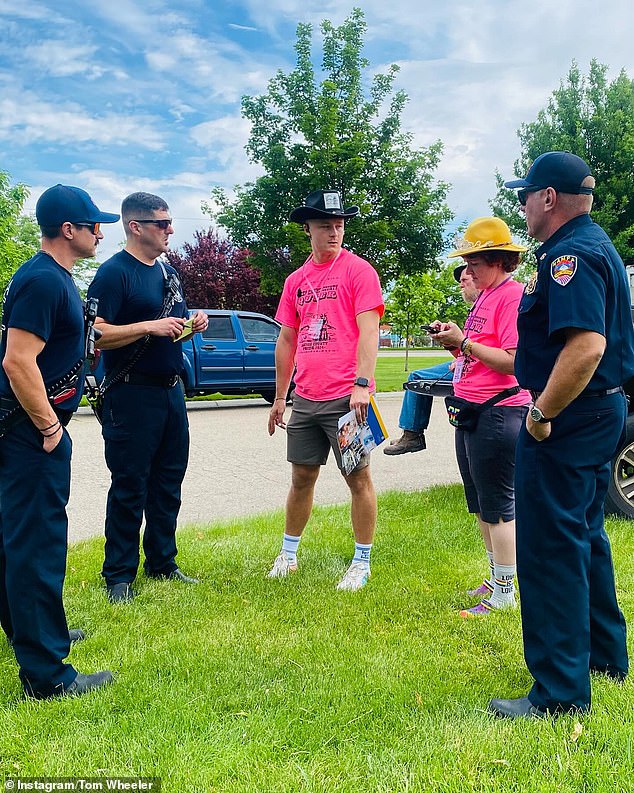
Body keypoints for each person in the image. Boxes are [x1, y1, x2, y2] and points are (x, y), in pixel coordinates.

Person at [489, 151, 634, 719]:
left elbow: (587, 346)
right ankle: (603, 658)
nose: (522, 203)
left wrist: (541, 412)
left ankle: (559, 692)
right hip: (600, 414)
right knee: (585, 535)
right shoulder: (595, 244)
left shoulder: (570, 254)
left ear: (549, 198)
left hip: (569, 419)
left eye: (526, 194)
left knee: (551, 547)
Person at [0, 184, 119, 698]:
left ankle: (35, 634)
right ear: (68, 230)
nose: (99, 232)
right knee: (36, 549)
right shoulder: (44, 281)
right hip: (29, 435)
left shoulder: (48, 277)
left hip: (21, 431)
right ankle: (48, 676)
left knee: (16, 546)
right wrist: (50, 427)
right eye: (93, 224)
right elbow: (16, 360)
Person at [87, 192, 208, 603]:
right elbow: (96, 332)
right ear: (135, 226)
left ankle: (162, 562)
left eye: (170, 222)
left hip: (171, 392)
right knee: (129, 485)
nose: (170, 229)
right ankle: (119, 575)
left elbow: (172, 325)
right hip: (130, 392)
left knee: (168, 481)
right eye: (162, 223)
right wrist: (148, 327)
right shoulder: (113, 273)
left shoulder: (168, 272)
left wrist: (194, 322)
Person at [267, 189, 384, 591]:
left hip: (347, 398)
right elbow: (286, 339)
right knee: (301, 477)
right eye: (325, 226)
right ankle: (288, 553)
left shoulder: (359, 272)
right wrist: (281, 397)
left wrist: (362, 384)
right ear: (308, 230)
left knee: (357, 477)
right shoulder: (296, 281)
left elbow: (370, 330)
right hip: (306, 399)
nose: (334, 232)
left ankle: (362, 562)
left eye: (339, 225)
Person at [433, 217, 531, 617]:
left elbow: (513, 363)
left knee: (498, 505)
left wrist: (465, 342)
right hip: (472, 411)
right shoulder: (485, 297)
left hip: (499, 412)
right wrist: (455, 344)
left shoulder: (511, 297)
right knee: (480, 503)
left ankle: (505, 592)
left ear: (499, 259)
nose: (467, 269)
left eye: (474, 261)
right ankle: (495, 576)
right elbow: (475, 356)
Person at [384, 265, 479, 455]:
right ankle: (412, 434)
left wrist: (463, 354)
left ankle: (412, 436)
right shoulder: (475, 310)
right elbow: (465, 349)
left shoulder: (497, 303)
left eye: (464, 281)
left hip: (480, 375)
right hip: (469, 365)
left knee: (417, 379)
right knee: (416, 378)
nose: (461, 286)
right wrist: (451, 343)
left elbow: (480, 350)